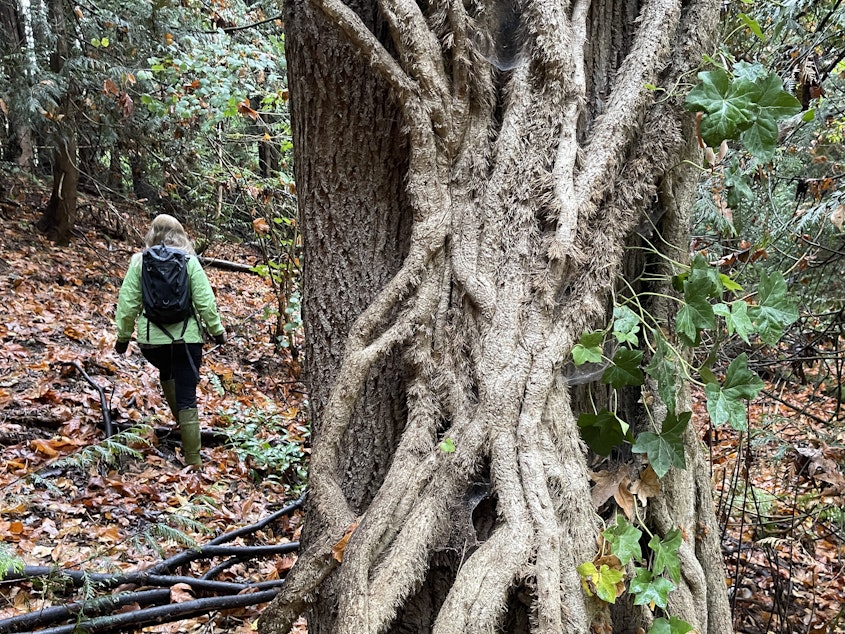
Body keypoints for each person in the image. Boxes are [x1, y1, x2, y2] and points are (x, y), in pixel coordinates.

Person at [114, 214, 226, 467]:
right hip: (186, 340)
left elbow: (128, 303)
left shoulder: (138, 261)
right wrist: (217, 331)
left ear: (152, 233)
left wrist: (123, 337)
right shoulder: (189, 261)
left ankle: (184, 429)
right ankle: (194, 460)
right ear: (181, 235)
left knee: (168, 371)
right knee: (186, 393)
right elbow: (205, 302)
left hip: (152, 343)